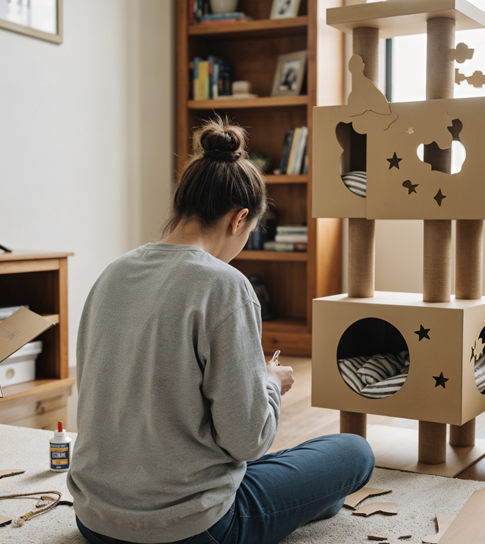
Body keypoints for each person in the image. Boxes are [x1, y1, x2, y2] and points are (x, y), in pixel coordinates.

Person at [69, 118, 375, 544]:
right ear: (239, 219)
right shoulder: (225, 285)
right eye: (249, 233)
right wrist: (269, 383)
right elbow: (248, 442)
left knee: (304, 480)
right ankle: (311, 503)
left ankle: (311, 502)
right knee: (353, 453)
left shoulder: (113, 272)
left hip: (94, 520)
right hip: (192, 529)